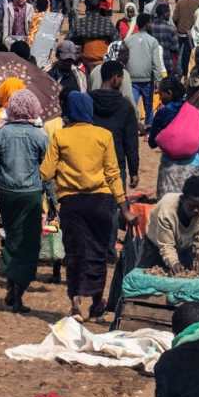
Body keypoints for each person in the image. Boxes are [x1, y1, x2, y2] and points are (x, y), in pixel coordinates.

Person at [41, 92, 127, 320]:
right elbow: (113, 173)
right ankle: (97, 303)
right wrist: (123, 205)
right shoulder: (104, 135)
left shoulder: (60, 136)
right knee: (98, 253)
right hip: (101, 202)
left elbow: (46, 172)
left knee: (75, 253)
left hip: (72, 203)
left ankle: (75, 304)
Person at [0, 89, 50, 312]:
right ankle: (18, 293)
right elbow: (47, 173)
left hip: (7, 193)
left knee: (10, 239)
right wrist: (52, 200)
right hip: (31, 194)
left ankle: (11, 286)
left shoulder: (0, 134)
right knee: (29, 244)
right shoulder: (40, 136)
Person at [145, 176, 199, 275]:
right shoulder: (167, 209)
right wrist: (174, 263)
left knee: (184, 275)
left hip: (183, 248)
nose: (196, 210)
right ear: (182, 199)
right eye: (191, 206)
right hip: (155, 245)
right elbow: (166, 245)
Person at [89, 60, 141, 190]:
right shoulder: (125, 106)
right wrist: (133, 171)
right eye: (122, 78)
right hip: (116, 164)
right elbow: (131, 143)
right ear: (115, 78)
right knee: (117, 200)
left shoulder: (87, 101)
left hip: (90, 164)